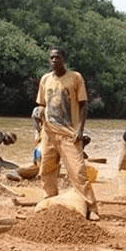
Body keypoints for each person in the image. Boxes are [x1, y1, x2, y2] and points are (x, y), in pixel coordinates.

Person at [35, 46, 98, 220]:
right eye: (51, 58)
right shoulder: (45, 79)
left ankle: (92, 207)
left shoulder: (75, 78)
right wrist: (38, 112)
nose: (54, 60)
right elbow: (42, 104)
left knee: (78, 171)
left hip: (69, 133)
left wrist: (80, 129)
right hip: (49, 132)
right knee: (46, 169)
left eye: (57, 57)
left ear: (64, 59)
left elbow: (84, 104)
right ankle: (50, 199)